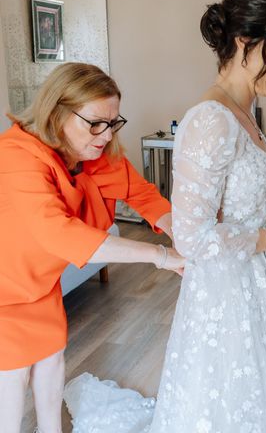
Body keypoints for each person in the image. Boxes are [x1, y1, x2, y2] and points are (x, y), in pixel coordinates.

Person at [64, 0, 266, 432]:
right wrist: (264, 238)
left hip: (264, 281)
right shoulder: (210, 120)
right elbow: (191, 236)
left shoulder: (245, 113)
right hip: (228, 293)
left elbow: (255, 196)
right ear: (246, 41)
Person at [0, 62, 184, 433]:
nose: (105, 134)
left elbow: (144, 197)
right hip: (6, 289)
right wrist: (159, 255)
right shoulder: (17, 157)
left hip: (41, 281)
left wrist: (188, 239)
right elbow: (60, 234)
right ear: (57, 113)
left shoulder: (93, 153)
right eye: (95, 123)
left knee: (52, 366)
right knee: (12, 386)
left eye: (114, 122)